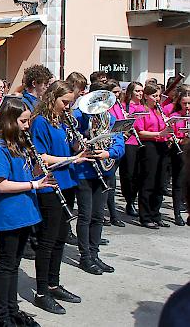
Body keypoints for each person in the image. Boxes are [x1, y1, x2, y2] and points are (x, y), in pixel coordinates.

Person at [0, 96, 51, 327]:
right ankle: (2, 315)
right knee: (6, 264)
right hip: (10, 212)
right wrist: (35, 184)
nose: (27, 126)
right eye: (23, 121)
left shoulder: (19, 143)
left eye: (28, 121)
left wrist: (40, 171)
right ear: (10, 120)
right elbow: (1, 184)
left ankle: (13, 310)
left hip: (26, 209)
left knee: (14, 264)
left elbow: (25, 173)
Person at [30, 80, 85, 315]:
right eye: (64, 102)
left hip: (68, 181)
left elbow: (69, 147)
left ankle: (54, 283)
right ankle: (42, 291)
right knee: (48, 239)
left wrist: (79, 144)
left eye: (70, 103)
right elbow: (40, 156)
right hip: (49, 183)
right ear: (52, 99)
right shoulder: (40, 122)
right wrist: (73, 159)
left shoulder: (63, 120)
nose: (67, 107)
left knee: (61, 237)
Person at [71, 82, 124, 275]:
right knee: (85, 215)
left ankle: (94, 254)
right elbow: (71, 142)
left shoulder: (109, 117)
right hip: (85, 172)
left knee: (98, 216)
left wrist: (107, 153)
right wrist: (81, 141)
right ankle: (85, 257)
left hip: (104, 171)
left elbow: (119, 142)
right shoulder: (78, 116)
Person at [134, 84, 171, 229]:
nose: (157, 99)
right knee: (148, 181)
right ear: (146, 96)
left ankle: (156, 214)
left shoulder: (159, 111)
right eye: (154, 96)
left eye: (158, 96)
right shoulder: (141, 110)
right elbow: (140, 132)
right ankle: (145, 216)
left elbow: (164, 128)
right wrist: (159, 134)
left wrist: (168, 130)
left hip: (162, 146)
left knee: (160, 182)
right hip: (148, 147)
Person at [119, 81, 145, 217]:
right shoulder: (124, 107)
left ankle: (135, 200)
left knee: (139, 174)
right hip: (129, 142)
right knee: (128, 174)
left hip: (143, 142)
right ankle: (129, 201)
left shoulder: (144, 107)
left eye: (141, 91)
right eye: (137, 91)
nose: (140, 93)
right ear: (130, 93)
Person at [105, 80, 126, 227]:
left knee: (112, 182)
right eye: (115, 92)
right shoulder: (107, 108)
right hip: (107, 147)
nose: (118, 95)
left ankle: (113, 214)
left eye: (119, 92)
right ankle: (111, 213)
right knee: (108, 182)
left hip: (117, 145)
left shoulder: (119, 105)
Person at [168, 89, 190, 226]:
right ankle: (177, 214)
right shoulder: (175, 116)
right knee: (178, 183)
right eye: (184, 103)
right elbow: (171, 135)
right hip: (180, 150)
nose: (187, 107)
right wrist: (181, 138)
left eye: (189, 104)